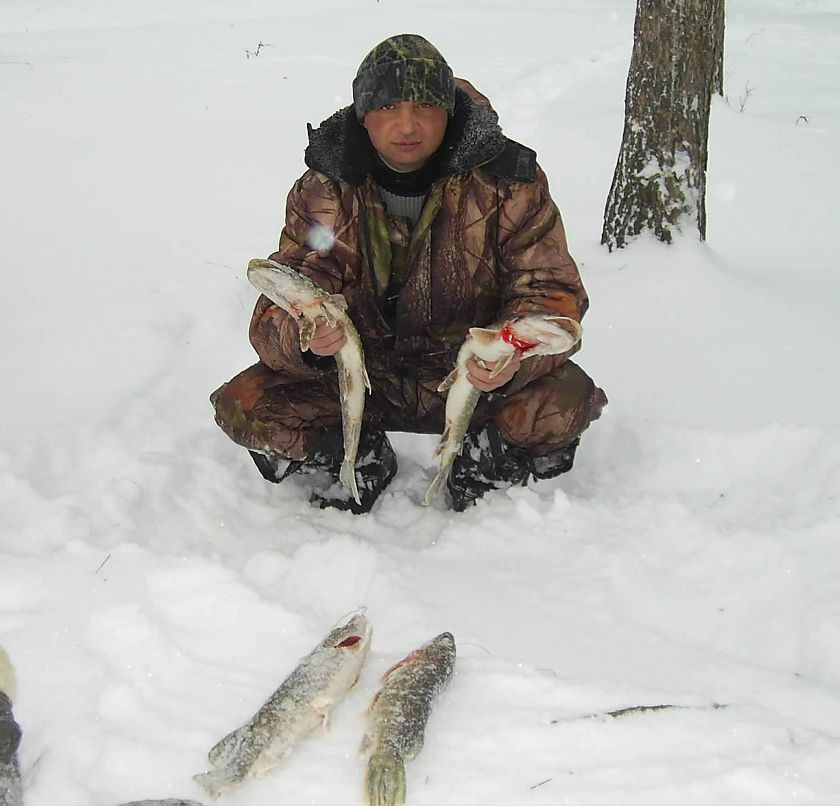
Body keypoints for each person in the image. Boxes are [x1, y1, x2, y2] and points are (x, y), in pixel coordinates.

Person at [210, 34, 607, 513]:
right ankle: (359, 459)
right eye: (388, 106)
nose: (407, 125)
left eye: (424, 105)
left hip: (472, 375)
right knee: (248, 406)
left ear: (449, 111)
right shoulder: (326, 187)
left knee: (567, 401)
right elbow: (294, 285)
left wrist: (511, 355)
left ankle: (478, 464)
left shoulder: (510, 182)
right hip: (369, 376)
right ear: (362, 113)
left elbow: (550, 291)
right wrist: (307, 337)